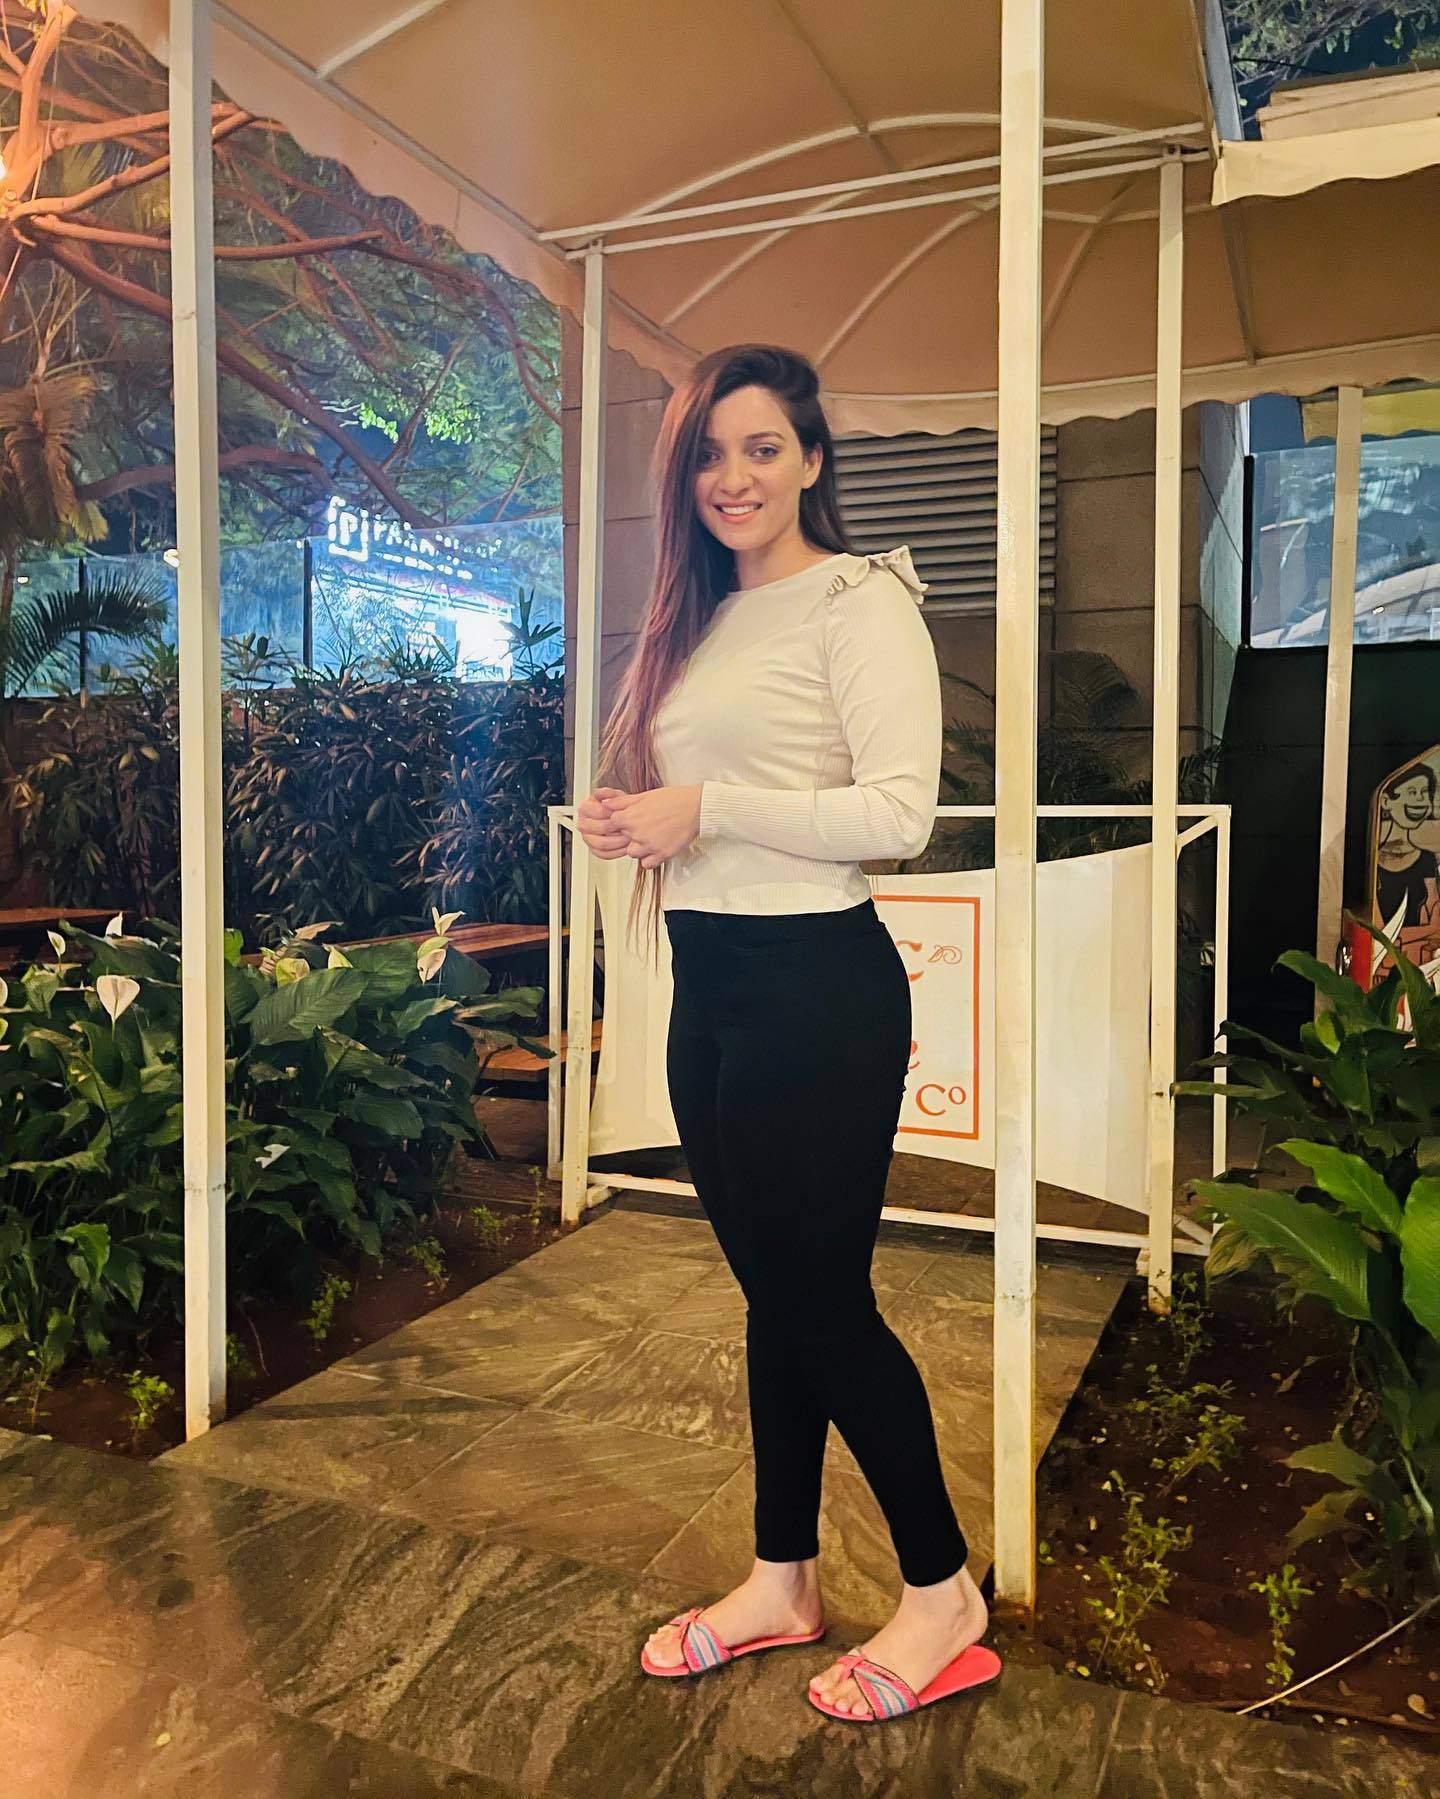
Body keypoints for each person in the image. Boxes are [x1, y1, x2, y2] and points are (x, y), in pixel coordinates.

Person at [575, 344, 997, 1724]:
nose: (733, 476)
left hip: (817, 991)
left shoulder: (860, 599)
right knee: (778, 1295)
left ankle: (941, 1591)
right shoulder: (699, 616)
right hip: (712, 990)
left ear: (813, 458)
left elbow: (899, 813)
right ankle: (782, 1576)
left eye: (762, 447)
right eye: (709, 452)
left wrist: (708, 804)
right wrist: (644, 817)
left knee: (821, 1303)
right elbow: (713, 799)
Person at [1374, 764, 1440, 965]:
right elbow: (1379, 935)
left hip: (1418, 965)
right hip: (1383, 968)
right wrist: (1427, 929)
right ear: (1386, 802)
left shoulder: (1427, 859)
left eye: (1424, 793)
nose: (1420, 800)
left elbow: (1435, 922)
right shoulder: (1373, 864)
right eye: (1412, 792)